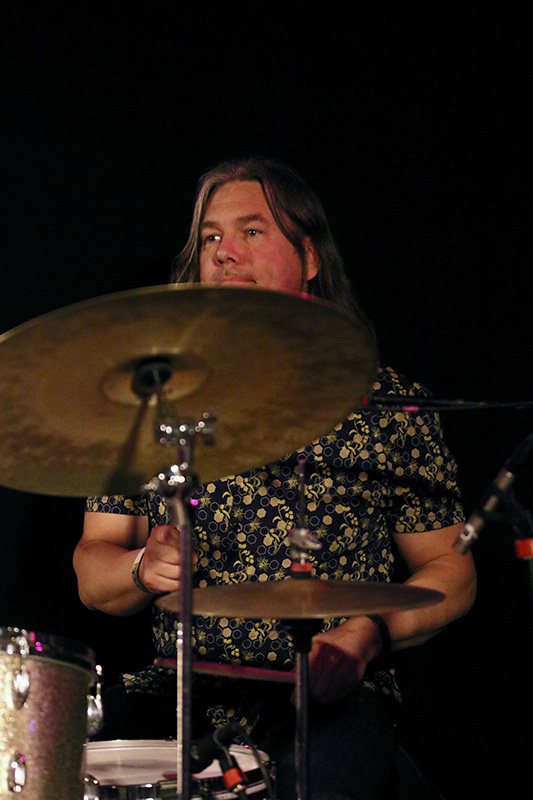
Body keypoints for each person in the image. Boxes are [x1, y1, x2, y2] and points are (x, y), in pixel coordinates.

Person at [73, 156, 476, 799]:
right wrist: (142, 568)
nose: (224, 252)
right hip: (179, 687)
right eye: (211, 236)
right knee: (57, 763)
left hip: (329, 696)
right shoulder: (154, 402)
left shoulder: (386, 404)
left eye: (252, 231)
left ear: (309, 258)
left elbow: (453, 569)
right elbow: (93, 571)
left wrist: (367, 633)